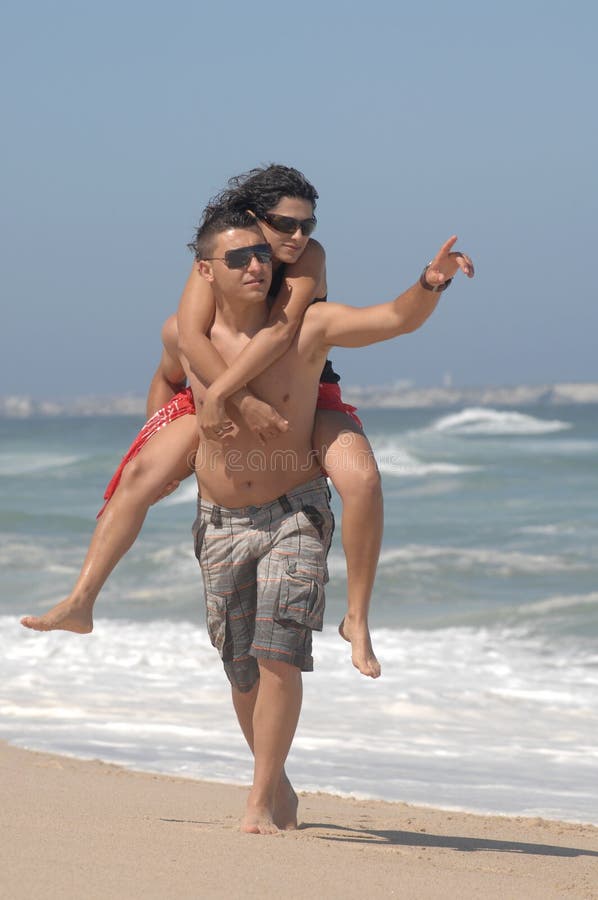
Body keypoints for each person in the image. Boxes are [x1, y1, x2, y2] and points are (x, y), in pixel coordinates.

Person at [21, 165, 384, 678]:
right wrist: (191, 432)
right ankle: (81, 602)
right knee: (140, 475)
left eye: (309, 225)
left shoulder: (308, 260)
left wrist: (234, 400)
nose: (299, 237)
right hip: (218, 390)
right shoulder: (216, 258)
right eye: (286, 224)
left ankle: (359, 618)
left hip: (301, 391)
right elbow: (188, 341)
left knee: (362, 479)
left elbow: (279, 334)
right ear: (255, 219)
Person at [186, 206, 473, 834]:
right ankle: (277, 781)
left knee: (278, 653)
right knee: (241, 669)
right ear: (206, 272)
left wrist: (429, 283)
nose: (257, 264)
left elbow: (391, 320)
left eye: (262, 255)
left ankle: (258, 800)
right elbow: (165, 410)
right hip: (221, 519)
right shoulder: (188, 338)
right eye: (240, 257)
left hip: (295, 509)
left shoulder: (307, 327)